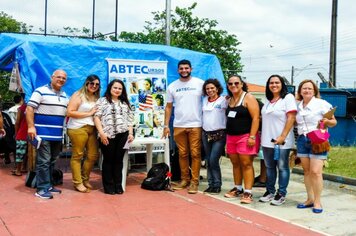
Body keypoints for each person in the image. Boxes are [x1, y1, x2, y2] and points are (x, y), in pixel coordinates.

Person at [295, 79, 337, 214]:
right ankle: (310, 199)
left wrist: (327, 121)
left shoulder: (322, 104)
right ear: (300, 91)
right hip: (302, 139)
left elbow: (334, 122)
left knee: (316, 172)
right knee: (306, 172)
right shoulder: (298, 105)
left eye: (309, 89)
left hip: (317, 139)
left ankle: (318, 201)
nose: (306, 91)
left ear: (314, 91)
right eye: (304, 88)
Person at [163, 59, 204, 194]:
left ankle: (194, 182)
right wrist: (165, 125)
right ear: (178, 70)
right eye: (181, 68)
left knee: (195, 153)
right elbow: (168, 107)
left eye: (186, 68)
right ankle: (184, 180)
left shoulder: (200, 83)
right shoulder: (172, 86)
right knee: (182, 154)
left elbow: (211, 96)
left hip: (196, 124)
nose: (184, 70)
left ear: (191, 69)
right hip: (179, 125)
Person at [26, 69, 69, 199]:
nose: (61, 80)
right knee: (43, 161)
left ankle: (48, 185)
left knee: (52, 161)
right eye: (59, 77)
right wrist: (31, 127)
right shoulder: (40, 91)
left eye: (63, 78)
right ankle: (41, 189)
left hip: (57, 135)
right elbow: (29, 108)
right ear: (52, 77)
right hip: (42, 133)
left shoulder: (64, 95)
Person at [259, 75, 297, 206]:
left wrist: (282, 136)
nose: (274, 85)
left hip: (282, 141)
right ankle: (270, 191)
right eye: (271, 83)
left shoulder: (288, 98)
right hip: (267, 140)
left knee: (282, 167)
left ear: (282, 84)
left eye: (277, 82)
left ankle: (281, 194)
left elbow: (291, 118)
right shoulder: (268, 100)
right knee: (269, 167)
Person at [94, 79, 134, 195]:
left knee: (118, 160)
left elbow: (130, 119)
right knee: (108, 160)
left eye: (120, 88)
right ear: (110, 88)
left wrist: (130, 133)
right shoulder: (102, 101)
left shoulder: (125, 103)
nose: (117, 90)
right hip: (107, 135)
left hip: (123, 135)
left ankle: (118, 185)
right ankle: (109, 186)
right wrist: (101, 133)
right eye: (115, 88)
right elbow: (97, 117)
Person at [224, 75, 260, 204]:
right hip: (231, 136)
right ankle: (238, 188)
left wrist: (252, 136)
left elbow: (256, 118)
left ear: (242, 84)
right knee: (235, 163)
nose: (233, 86)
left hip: (245, 136)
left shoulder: (248, 97)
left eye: (236, 83)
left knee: (246, 163)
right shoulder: (229, 100)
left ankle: (248, 192)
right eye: (230, 84)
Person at [66, 75, 100, 193]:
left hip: (92, 128)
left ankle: (85, 179)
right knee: (78, 155)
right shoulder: (78, 95)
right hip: (78, 128)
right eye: (91, 83)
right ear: (86, 83)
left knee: (93, 155)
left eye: (96, 84)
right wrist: (89, 113)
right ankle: (78, 182)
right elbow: (69, 112)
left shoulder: (96, 97)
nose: (94, 86)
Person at [201, 79, 227, 195]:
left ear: (217, 88)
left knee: (213, 160)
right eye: (207, 89)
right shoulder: (204, 101)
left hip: (219, 135)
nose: (210, 90)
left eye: (212, 88)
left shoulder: (224, 100)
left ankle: (217, 184)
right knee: (208, 160)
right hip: (206, 134)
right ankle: (210, 184)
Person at [12, 93, 28, 176]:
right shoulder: (35, 107)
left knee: (20, 152)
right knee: (27, 152)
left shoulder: (21, 108)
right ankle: (24, 167)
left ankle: (18, 170)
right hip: (32, 133)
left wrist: (16, 133)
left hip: (22, 133)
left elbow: (17, 122)